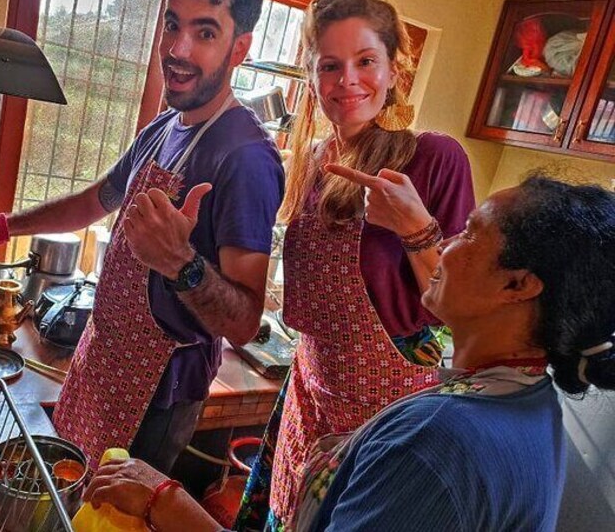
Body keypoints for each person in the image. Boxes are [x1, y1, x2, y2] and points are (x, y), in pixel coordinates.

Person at [80, 175, 615, 532]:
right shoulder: (529, 402)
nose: (445, 244)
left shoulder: (436, 443)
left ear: (518, 285)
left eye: (471, 233)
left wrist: (165, 500)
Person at [0, 0, 284, 474]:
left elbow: (243, 323)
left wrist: (181, 263)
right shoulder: (165, 127)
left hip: (156, 393)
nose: (177, 49)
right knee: (65, 496)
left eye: (204, 33)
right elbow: (95, 201)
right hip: (102, 361)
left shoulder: (245, 157)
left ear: (239, 48)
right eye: (172, 25)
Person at [236, 0, 476, 529]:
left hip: (384, 414)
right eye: (329, 65)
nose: (347, 80)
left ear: (394, 69)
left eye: (366, 60)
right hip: (310, 389)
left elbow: (464, 313)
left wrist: (416, 230)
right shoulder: (314, 159)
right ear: (312, 75)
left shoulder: (433, 157)